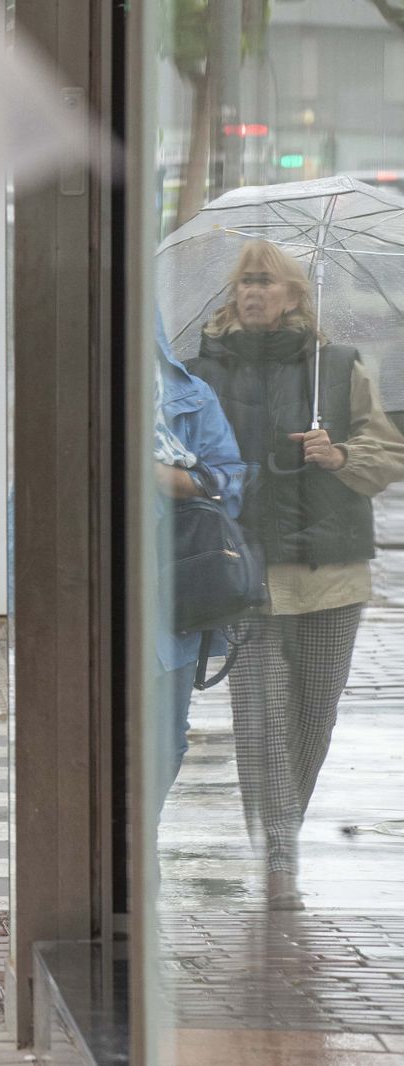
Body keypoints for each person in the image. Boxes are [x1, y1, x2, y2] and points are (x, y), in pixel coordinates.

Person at [187, 239, 404, 909]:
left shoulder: (337, 369)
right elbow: (176, 454)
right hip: (240, 571)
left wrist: (337, 454)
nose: (253, 292)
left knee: (313, 713)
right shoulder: (202, 374)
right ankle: (280, 845)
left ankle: (284, 826)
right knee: (258, 716)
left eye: (267, 282)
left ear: (293, 296)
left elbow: (387, 453)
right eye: (245, 281)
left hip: (330, 573)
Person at [153, 319, 246, 811]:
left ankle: (137, 841)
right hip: (89, 597)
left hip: (174, 594)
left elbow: (230, 480)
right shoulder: (64, 392)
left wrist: (173, 480)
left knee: (167, 743)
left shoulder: (190, 397)